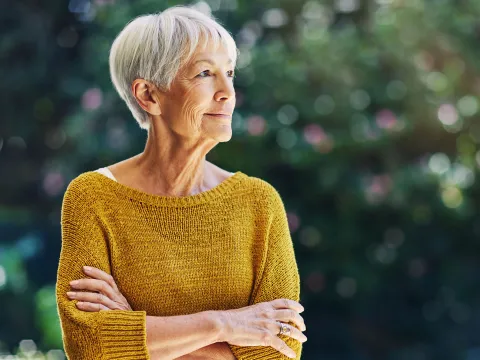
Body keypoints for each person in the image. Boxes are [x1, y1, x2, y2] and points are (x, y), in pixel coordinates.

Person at [55, 5, 307, 360]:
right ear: (148, 96)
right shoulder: (93, 197)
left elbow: (279, 350)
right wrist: (225, 325)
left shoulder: (259, 203)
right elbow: (90, 346)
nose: (227, 92)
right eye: (205, 73)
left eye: (230, 73)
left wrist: (133, 330)